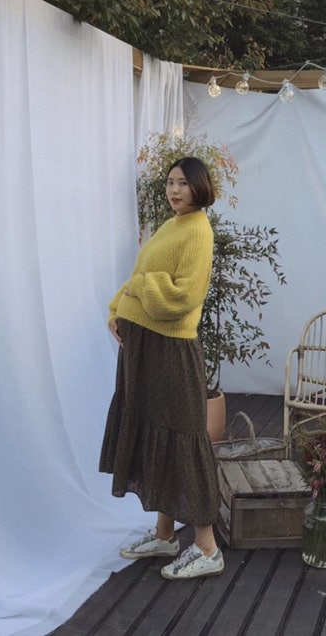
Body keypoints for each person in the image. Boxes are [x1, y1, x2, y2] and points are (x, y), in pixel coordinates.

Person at [99, 156, 224, 580]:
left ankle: (207, 548)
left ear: (200, 187)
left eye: (183, 183)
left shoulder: (198, 230)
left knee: (183, 439)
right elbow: (141, 274)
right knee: (158, 434)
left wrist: (137, 288)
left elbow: (185, 296)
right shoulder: (173, 225)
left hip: (170, 349)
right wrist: (116, 310)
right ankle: (166, 534)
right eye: (170, 182)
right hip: (146, 347)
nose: (174, 190)